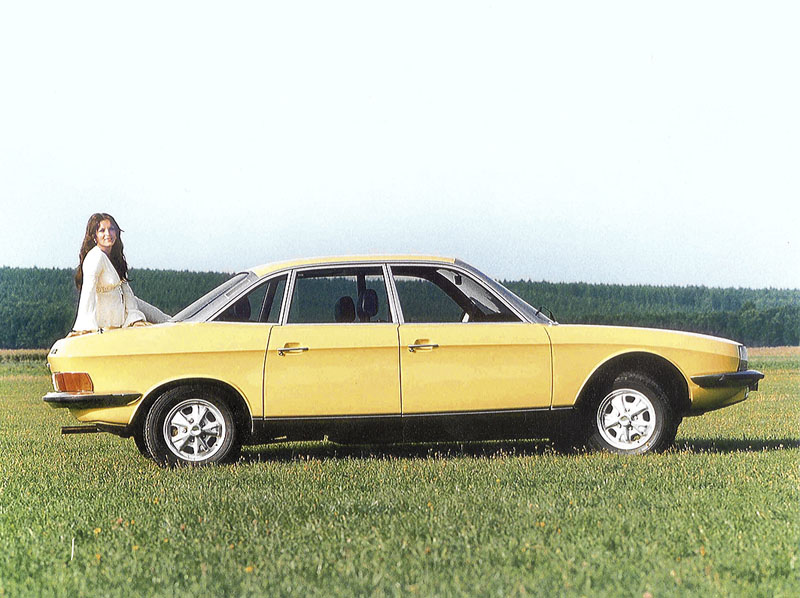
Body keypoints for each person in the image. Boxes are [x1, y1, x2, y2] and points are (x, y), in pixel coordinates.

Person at [71, 213, 170, 334]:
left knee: (166, 320)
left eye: (111, 229)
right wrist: (85, 327)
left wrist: (135, 318)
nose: (108, 234)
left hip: (127, 307)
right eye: (102, 230)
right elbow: (88, 291)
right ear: (94, 236)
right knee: (166, 321)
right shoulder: (95, 257)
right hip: (108, 319)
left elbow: (126, 290)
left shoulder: (115, 257)